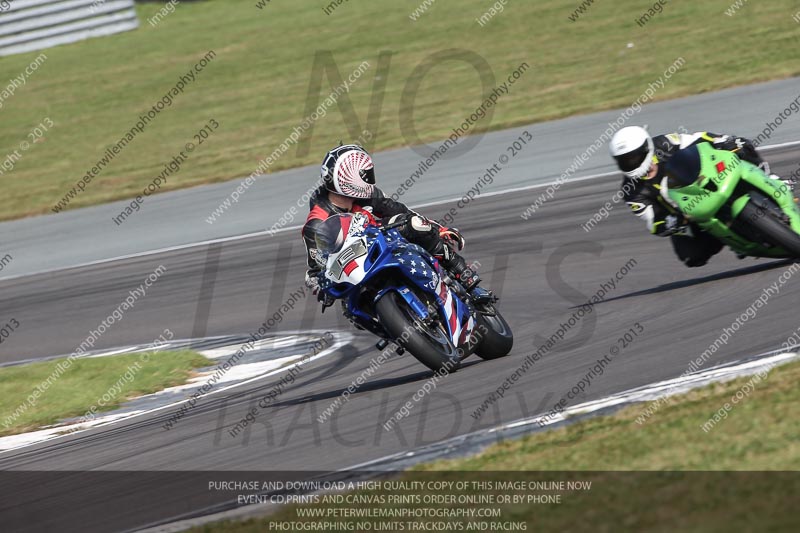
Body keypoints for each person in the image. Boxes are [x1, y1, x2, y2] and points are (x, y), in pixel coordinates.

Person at [302, 144, 487, 305]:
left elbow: (402, 212)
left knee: (414, 224)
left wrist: (439, 229)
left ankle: (466, 279)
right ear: (349, 179)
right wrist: (321, 285)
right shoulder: (317, 222)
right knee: (349, 304)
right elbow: (315, 268)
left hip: (383, 242)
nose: (369, 179)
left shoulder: (369, 195)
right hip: (355, 269)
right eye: (364, 175)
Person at [609, 126, 786, 267]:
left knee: (741, 146)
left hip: (706, 179)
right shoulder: (631, 191)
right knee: (692, 257)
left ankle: (771, 179)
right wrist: (670, 223)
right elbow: (653, 220)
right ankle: (729, 238)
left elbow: (698, 138)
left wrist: (722, 141)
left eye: (632, 158)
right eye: (623, 160)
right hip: (687, 215)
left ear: (646, 148)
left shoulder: (665, 143)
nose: (629, 163)